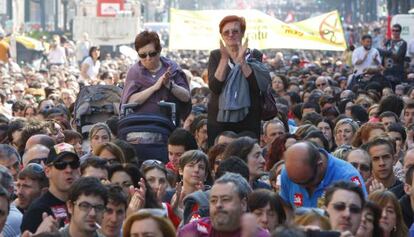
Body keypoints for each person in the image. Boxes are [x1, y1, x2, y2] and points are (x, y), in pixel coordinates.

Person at [207, 15, 269, 147]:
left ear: (242, 33)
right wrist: (224, 60)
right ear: (222, 36)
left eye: (235, 31)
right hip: (219, 119)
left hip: (248, 118)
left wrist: (242, 62)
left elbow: (257, 87)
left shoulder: (254, 55)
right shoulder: (216, 55)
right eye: (226, 32)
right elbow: (215, 87)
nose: (231, 35)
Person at [120, 31, 190, 122]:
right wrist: (154, 88)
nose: (148, 58)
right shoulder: (135, 72)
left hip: (168, 124)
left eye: (152, 54)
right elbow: (129, 102)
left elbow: (186, 97)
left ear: (159, 51)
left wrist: (169, 85)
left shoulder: (172, 68)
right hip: (140, 124)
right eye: (143, 55)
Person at [178, 172, 269, 237]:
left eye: (225, 199)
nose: (218, 205)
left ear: (243, 204)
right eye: (213, 200)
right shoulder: (194, 230)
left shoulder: (258, 235)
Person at [280, 141, 366, 208]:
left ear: (319, 165)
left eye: (307, 182)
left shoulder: (348, 176)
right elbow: (286, 208)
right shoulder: (288, 172)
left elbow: (361, 214)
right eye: (296, 183)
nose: (302, 187)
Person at [21, 143, 81, 233]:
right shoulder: (37, 211)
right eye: (61, 165)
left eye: (74, 164)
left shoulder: (85, 205)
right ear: (47, 171)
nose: (69, 170)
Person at [382, 24, 407, 88]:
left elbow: (398, 56)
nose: (395, 32)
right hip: (387, 70)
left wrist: (386, 52)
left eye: (397, 31)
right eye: (393, 30)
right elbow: (383, 56)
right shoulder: (388, 41)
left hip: (397, 71)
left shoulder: (403, 43)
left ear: (400, 32)